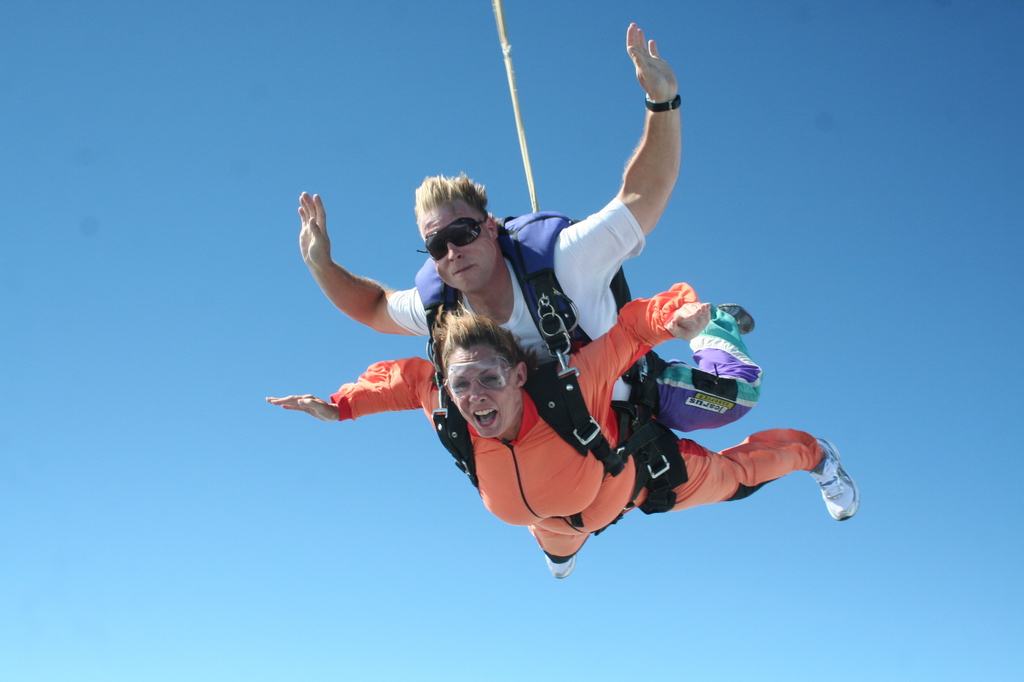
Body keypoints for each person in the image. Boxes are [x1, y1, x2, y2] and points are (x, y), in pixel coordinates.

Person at [296, 23, 761, 432]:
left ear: (490, 228)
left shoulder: (564, 260)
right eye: (436, 246)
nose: (452, 252)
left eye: (462, 233)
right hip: (566, 427)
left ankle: (717, 325)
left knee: (738, 399)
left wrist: (662, 102)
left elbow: (642, 199)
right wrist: (321, 266)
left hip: (634, 390)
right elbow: (375, 308)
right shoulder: (442, 305)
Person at [267, 284, 859, 579]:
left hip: (643, 470)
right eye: (463, 383)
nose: (476, 396)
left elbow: (631, 331)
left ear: (520, 375)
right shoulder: (448, 402)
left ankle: (813, 451)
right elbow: (402, 380)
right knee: (556, 547)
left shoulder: (570, 385)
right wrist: (339, 406)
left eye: (491, 378)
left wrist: (676, 316)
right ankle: (562, 553)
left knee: (740, 470)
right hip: (566, 520)